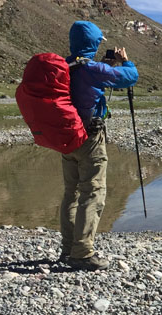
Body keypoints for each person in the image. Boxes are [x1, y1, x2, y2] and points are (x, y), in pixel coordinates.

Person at [60, 21, 138, 271]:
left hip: (66, 138)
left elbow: (88, 84)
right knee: (92, 192)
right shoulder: (91, 68)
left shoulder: (65, 65)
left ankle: (68, 247)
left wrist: (106, 66)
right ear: (92, 43)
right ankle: (82, 253)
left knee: (71, 192)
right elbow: (130, 78)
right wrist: (125, 61)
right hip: (89, 138)